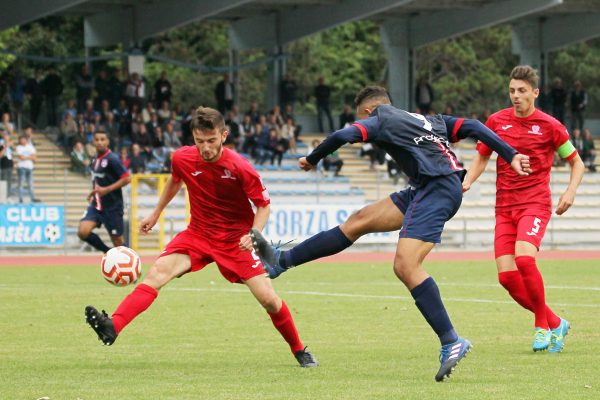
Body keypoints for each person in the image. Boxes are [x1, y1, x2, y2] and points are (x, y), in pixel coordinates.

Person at [249, 85, 531, 382]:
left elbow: (343, 135)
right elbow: (473, 126)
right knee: (359, 221)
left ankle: (451, 340)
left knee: (405, 265)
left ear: (369, 111)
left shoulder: (380, 119)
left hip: (436, 189)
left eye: (362, 118)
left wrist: (312, 159)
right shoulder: (428, 119)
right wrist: (510, 155)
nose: (363, 124)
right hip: (427, 187)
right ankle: (282, 261)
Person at [84, 107, 318, 368]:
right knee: (158, 273)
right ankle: (113, 326)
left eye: (211, 141)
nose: (205, 148)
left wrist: (253, 234)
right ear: (192, 138)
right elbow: (175, 180)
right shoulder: (182, 158)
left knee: (268, 299)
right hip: (198, 233)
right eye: (199, 141)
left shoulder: (240, 166)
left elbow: (263, 205)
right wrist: (156, 213)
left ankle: (299, 350)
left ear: (224, 135)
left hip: (234, 240)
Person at [462, 65, 584, 353]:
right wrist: (466, 182)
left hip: (534, 203)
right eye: (512, 91)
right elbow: (481, 158)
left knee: (525, 261)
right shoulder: (495, 121)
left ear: (535, 93)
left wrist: (571, 191)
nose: (515, 96)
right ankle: (556, 322)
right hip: (504, 207)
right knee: (506, 277)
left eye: (521, 91)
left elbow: (576, 162)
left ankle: (541, 325)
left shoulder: (550, 126)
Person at [77, 130, 131, 253]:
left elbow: (127, 178)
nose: (100, 142)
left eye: (102, 139)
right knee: (83, 231)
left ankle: (132, 265)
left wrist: (106, 190)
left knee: (117, 242)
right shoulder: (94, 160)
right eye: (97, 139)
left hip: (113, 207)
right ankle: (107, 252)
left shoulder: (112, 159)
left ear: (107, 142)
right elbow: (98, 179)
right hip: (96, 206)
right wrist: (94, 192)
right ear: (93, 142)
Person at [15, 134, 40, 203]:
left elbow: (35, 158)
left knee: (30, 184)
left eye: (23, 139)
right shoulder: (18, 147)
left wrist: (27, 157)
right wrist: (30, 157)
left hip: (30, 167)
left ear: (26, 140)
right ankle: (20, 198)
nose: (22, 141)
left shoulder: (31, 147)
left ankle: (32, 198)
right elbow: (21, 157)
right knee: (21, 184)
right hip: (21, 167)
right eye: (21, 140)